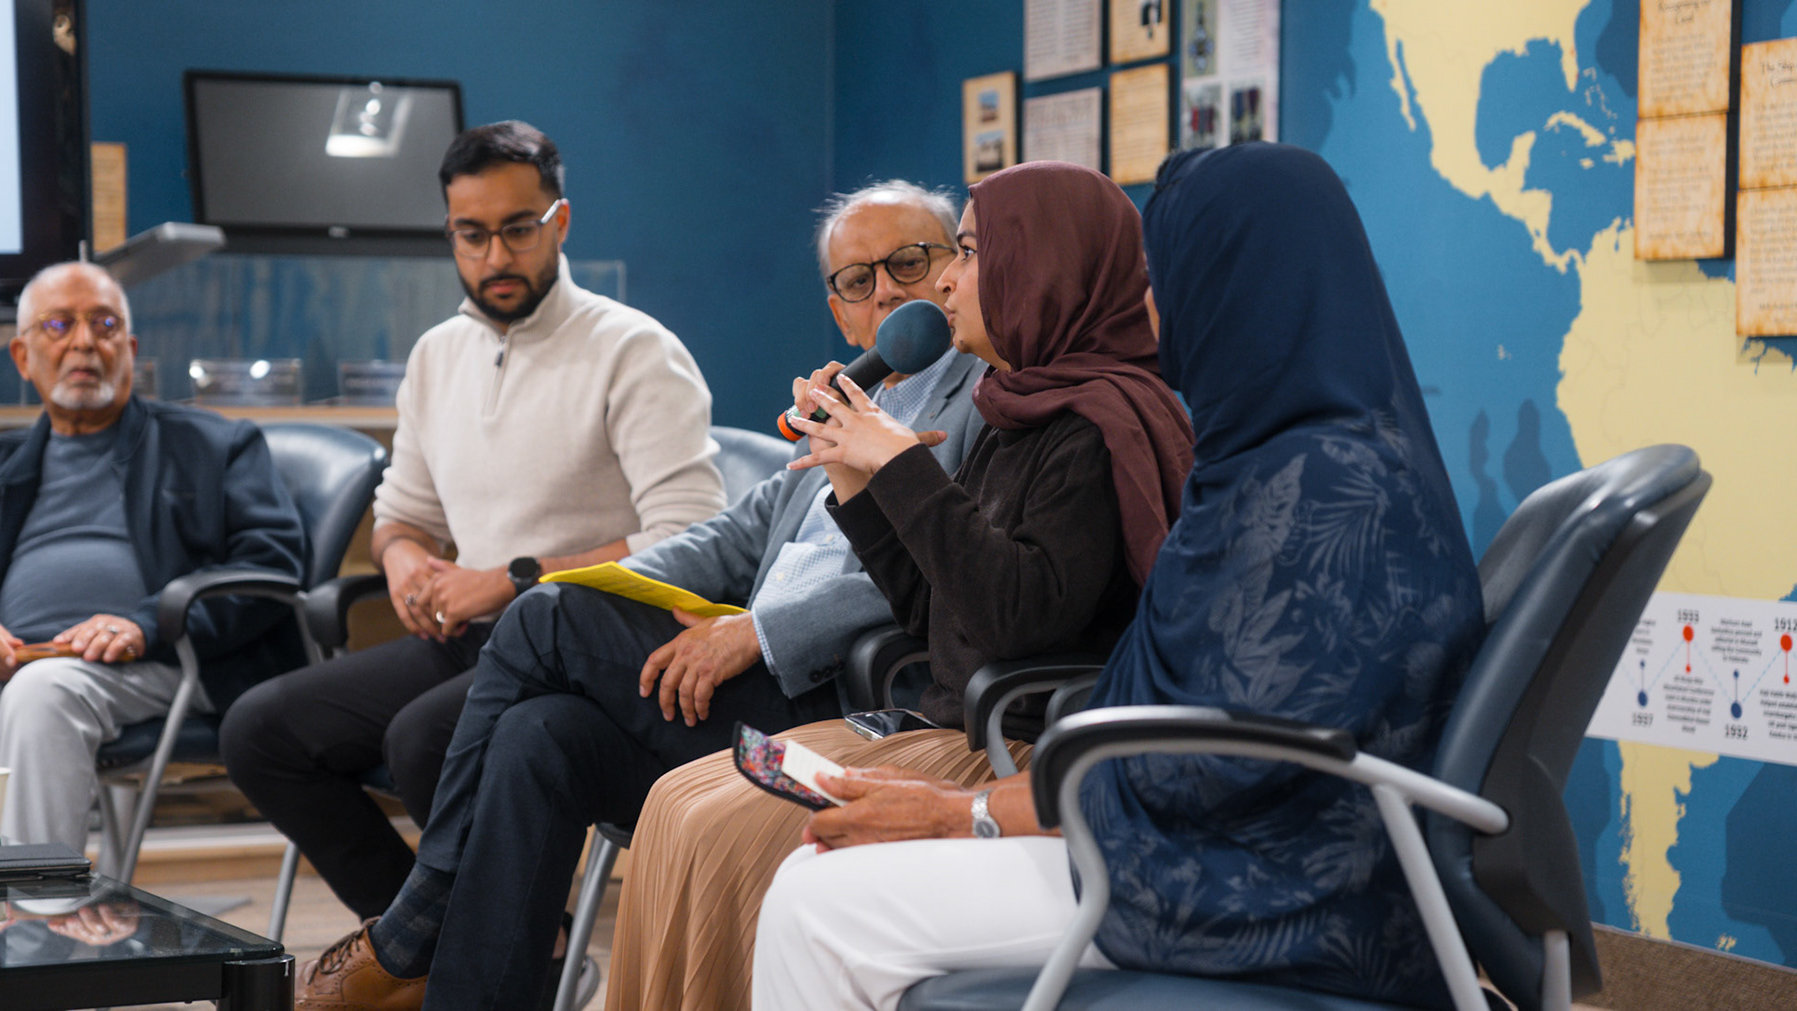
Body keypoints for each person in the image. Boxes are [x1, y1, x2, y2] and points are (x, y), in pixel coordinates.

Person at [751, 144, 1487, 1010]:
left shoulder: (1321, 491)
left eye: (1163, 276)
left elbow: (1215, 759)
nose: (1147, 304)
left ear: (1230, 286)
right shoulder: (1300, 453)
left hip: (1263, 885)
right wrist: (963, 800)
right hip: (1199, 835)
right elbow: (1197, 722)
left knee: (815, 906)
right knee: (817, 877)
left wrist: (964, 812)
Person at [293, 179, 990, 1011]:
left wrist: (757, 632)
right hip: (753, 679)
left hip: (839, 706)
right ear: (840, 313)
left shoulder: (980, 401)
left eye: (908, 263)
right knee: (537, 733)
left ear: (952, 271)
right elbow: (731, 538)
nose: (886, 292)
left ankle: (416, 919)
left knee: (542, 613)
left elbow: (931, 578)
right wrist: (615, 587)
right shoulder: (854, 401)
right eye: (857, 279)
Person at [606, 160, 1196, 1011]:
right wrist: (855, 475)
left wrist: (900, 466)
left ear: (1042, 268)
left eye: (969, 255)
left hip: (1012, 746)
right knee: (674, 799)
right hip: (946, 719)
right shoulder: (1018, 405)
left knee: (717, 829)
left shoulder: (1094, 425)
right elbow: (931, 609)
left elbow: (1015, 618)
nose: (947, 282)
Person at [219, 120, 724, 921]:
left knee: (423, 740)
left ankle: (514, 954)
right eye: (472, 234)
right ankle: (423, 945)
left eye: (518, 229)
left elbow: (690, 537)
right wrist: (403, 563)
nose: (495, 257)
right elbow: (401, 514)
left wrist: (511, 580)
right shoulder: (436, 355)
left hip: (589, 646)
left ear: (559, 221)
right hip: (473, 637)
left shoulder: (635, 351)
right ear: (449, 232)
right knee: (260, 730)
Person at [0, 262, 308, 853]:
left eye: (103, 325)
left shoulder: (214, 446)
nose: (84, 341)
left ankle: (39, 908)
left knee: (43, 692)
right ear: (22, 357)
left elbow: (272, 559)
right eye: (58, 325)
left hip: (163, 661)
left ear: (129, 349)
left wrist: (146, 623)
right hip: (13, 663)